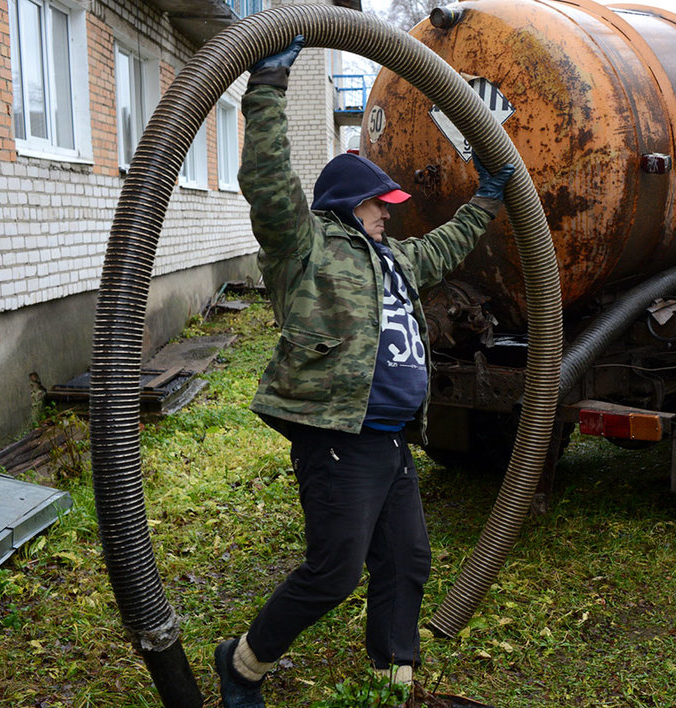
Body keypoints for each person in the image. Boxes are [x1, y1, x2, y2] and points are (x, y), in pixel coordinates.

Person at [213, 36, 516, 708]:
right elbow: (267, 178)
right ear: (350, 202)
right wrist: (268, 84)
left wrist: (489, 199)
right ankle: (242, 663)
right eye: (382, 203)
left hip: (389, 438)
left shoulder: (394, 259)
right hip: (335, 434)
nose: (390, 211)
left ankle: (392, 683)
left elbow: (447, 243)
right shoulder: (305, 245)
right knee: (333, 571)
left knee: (406, 560)